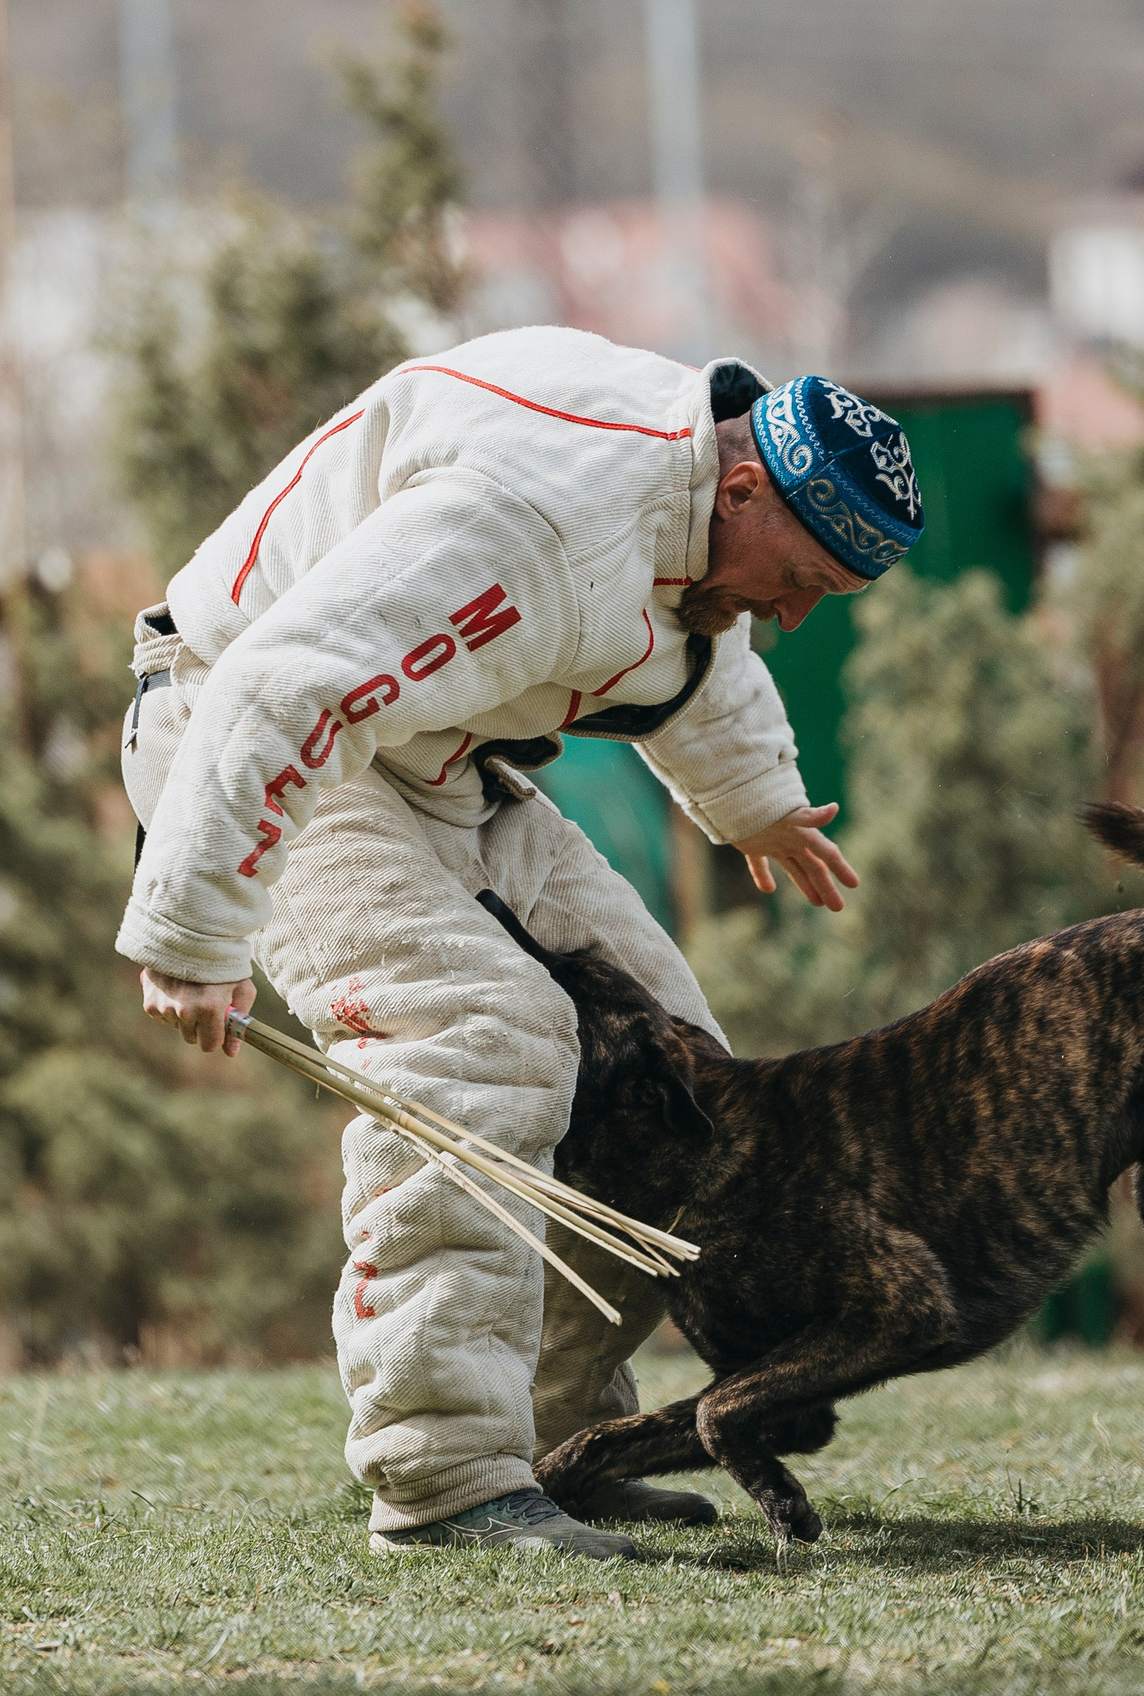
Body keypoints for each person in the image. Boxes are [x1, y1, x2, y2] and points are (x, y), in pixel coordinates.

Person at [116, 326, 923, 1559]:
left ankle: (551, 1447)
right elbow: (283, 687)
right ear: (747, 484)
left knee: (683, 1082)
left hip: (437, 762)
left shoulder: (693, 496)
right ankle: (442, 1478)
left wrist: (752, 793)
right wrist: (194, 922)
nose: (798, 617)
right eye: (804, 579)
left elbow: (695, 640)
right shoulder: (541, 518)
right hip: (244, 737)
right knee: (483, 1037)